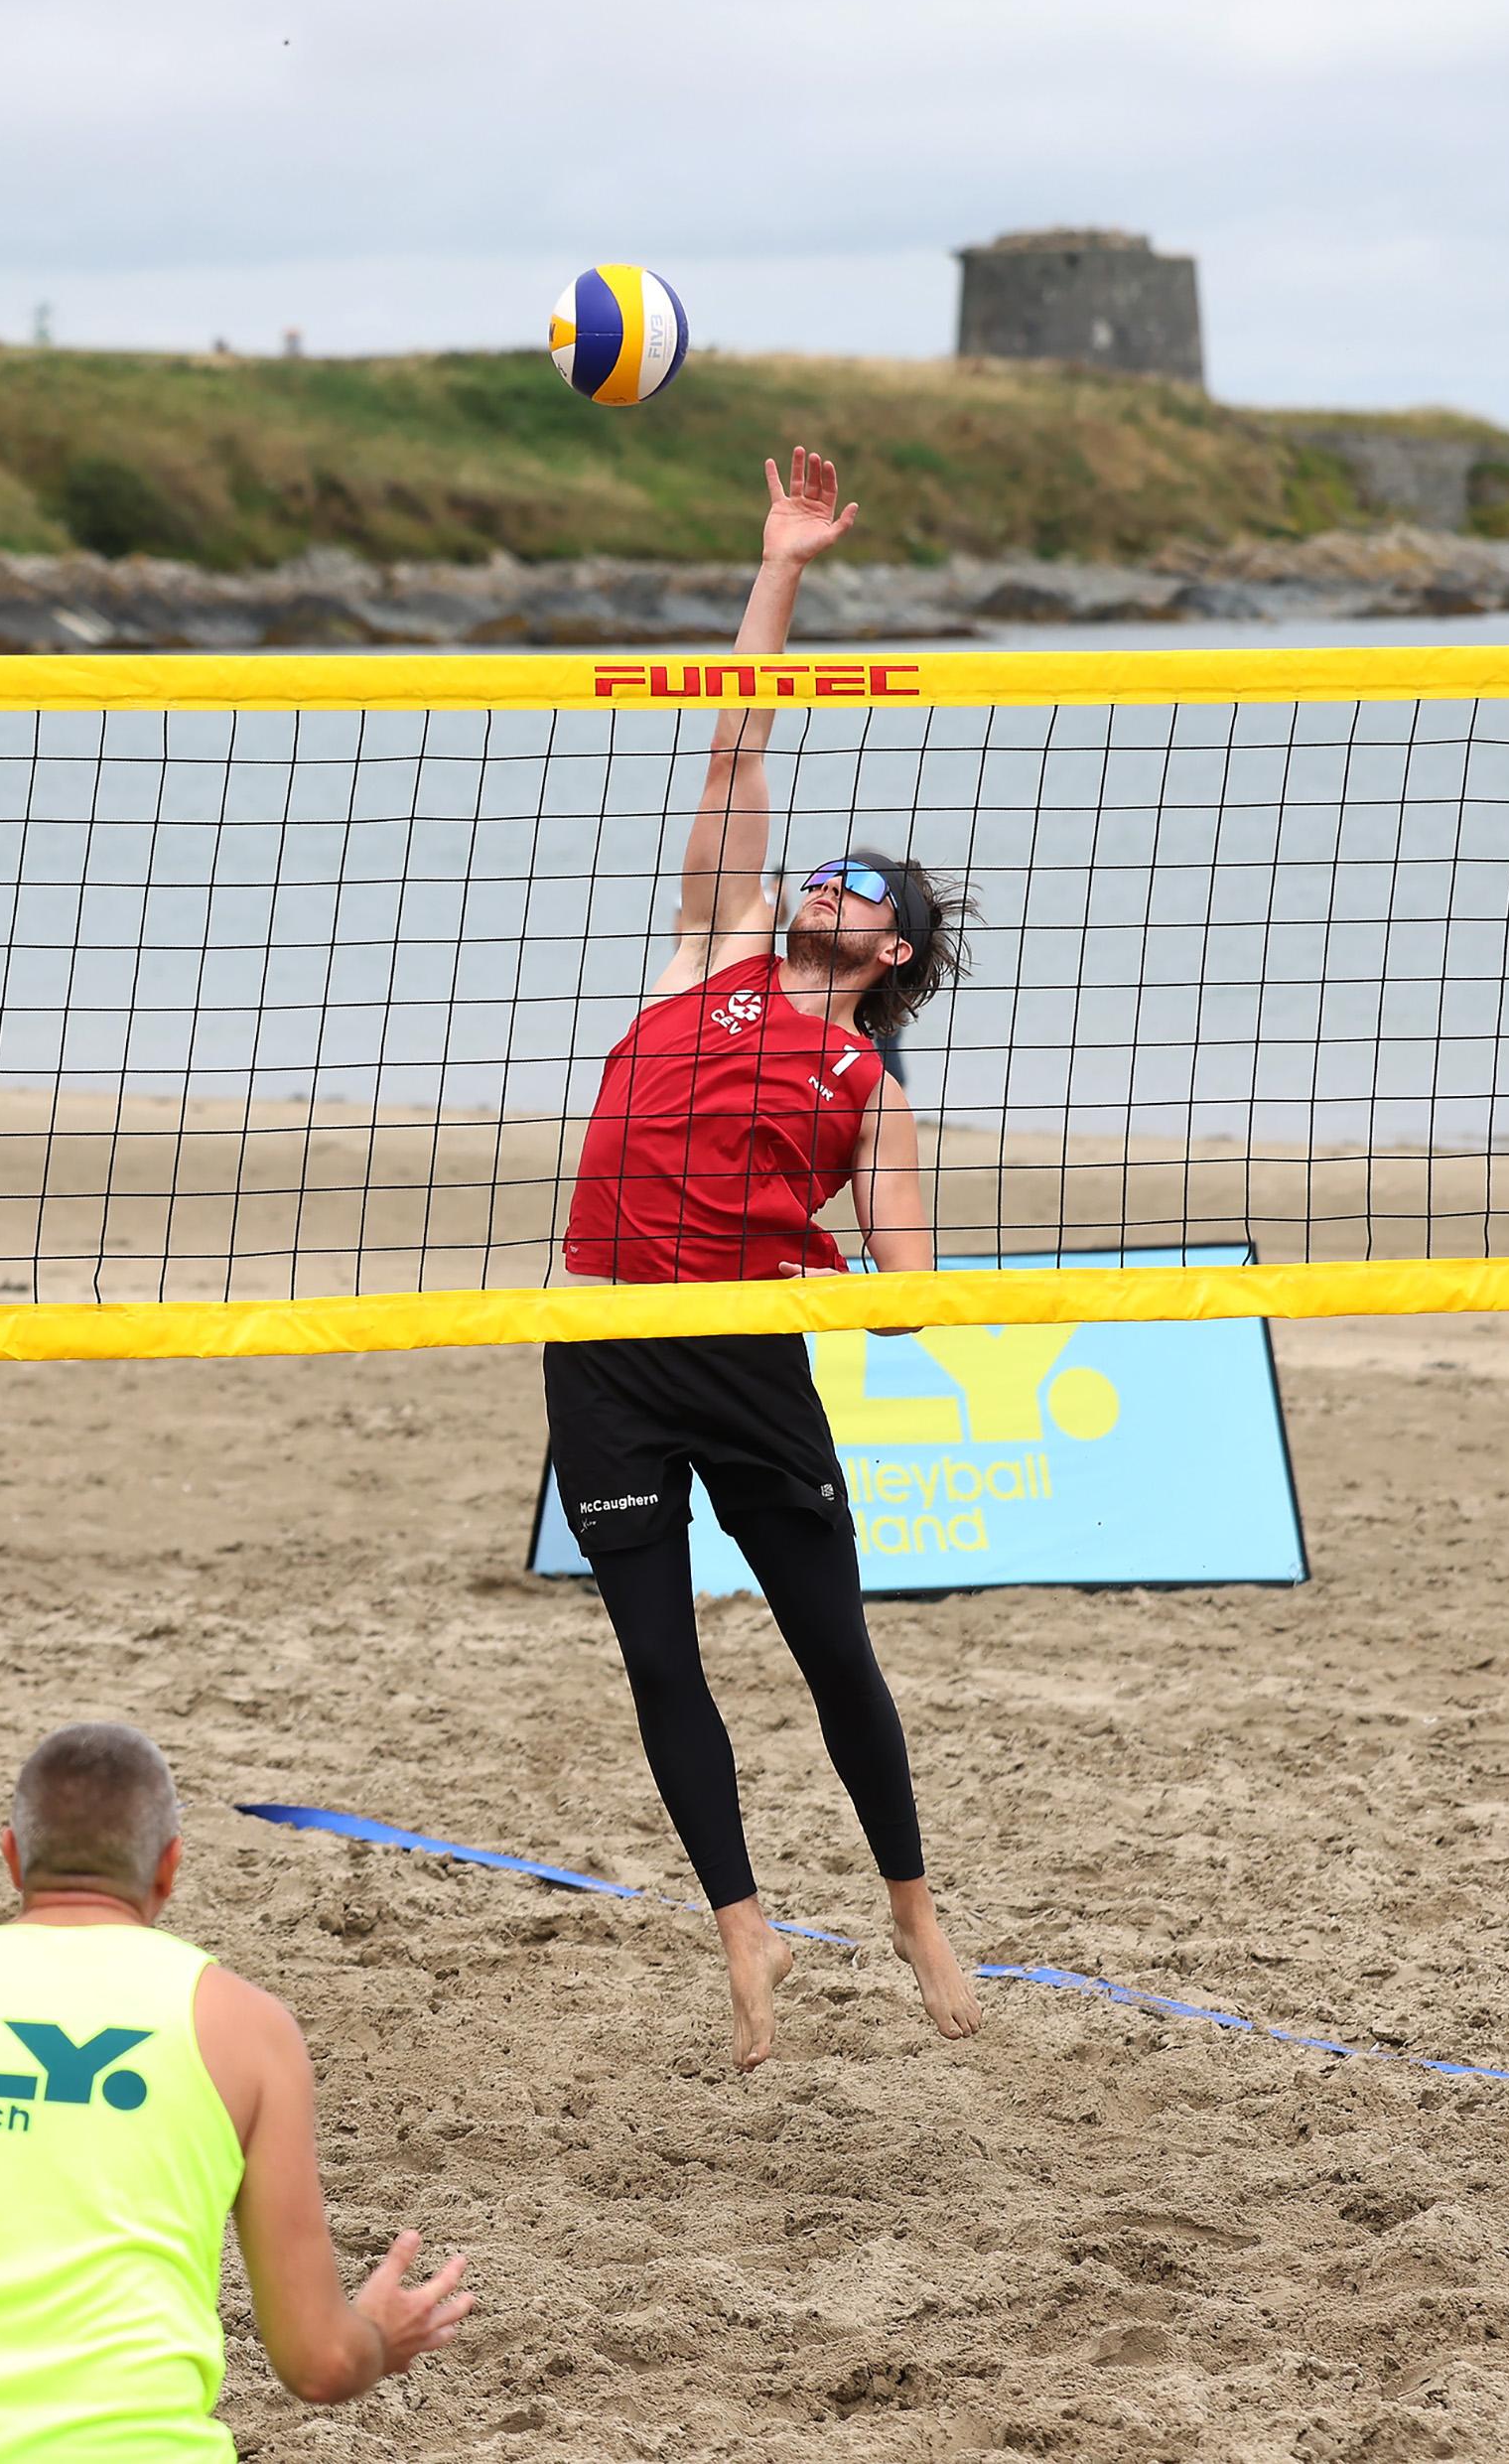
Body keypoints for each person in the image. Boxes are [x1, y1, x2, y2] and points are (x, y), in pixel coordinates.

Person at [551, 448, 984, 2073]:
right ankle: (743, 1931)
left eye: (863, 883)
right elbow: (739, 733)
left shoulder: (870, 1088)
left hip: (745, 1362)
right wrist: (781, 561)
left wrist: (852, 1290)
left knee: (833, 1653)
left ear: (894, 950)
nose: (831, 875)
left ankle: (911, 1898)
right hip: (597, 1342)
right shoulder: (718, 946)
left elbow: (907, 1295)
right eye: (833, 863)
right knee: (661, 1659)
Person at [0, 1722, 474, 2456]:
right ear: (170, 1866)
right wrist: (379, 2338)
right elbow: (318, 2364)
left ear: (11, 1858)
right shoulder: (247, 2027)